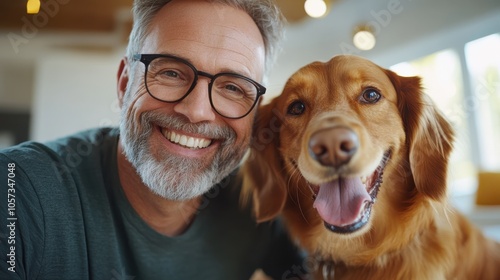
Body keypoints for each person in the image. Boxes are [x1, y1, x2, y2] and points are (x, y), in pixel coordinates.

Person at [0, 0, 305, 279]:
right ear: (124, 84)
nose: (197, 112)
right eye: (172, 72)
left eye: (233, 88)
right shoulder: (17, 188)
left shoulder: (258, 202)